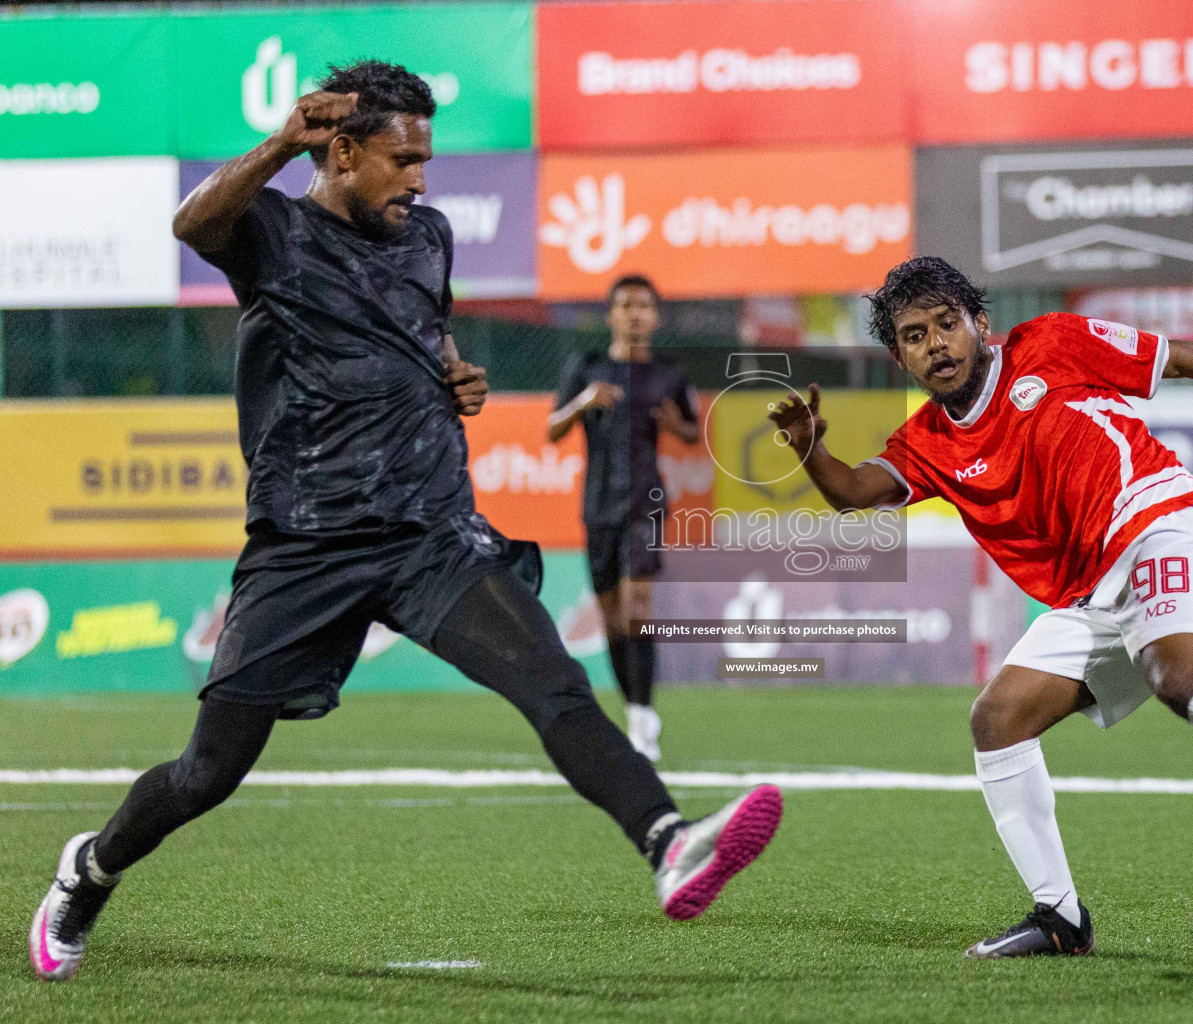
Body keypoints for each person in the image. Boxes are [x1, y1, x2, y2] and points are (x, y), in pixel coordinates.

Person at [29, 61, 779, 984]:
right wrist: (277, 142)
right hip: (306, 544)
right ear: (339, 151)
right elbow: (191, 224)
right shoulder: (272, 232)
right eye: (402, 158)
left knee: (552, 681)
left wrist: (452, 371)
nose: (421, 179)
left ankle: (668, 842)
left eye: (427, 159)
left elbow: (427, 325)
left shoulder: (428, 235)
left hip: (429, 530)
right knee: (206, 773)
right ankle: (89, 870)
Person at [769, 256, 1193, 959]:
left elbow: (1178, 359)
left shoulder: (1050, 344)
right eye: (913, 335)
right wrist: (810, 448)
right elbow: (853, 490)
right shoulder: (930, 444)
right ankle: (1059, 918)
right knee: (998, 718)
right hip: (1095, 592)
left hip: (1161, 523)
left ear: (980, 324)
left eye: (946, 324)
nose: (936, 344)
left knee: (1178, 674)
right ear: (899, 356)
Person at [547, 276, 699, 762]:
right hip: (598, 506)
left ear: (655, 317)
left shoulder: (668, 374)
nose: (635, 314)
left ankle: (641, 718)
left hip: (645, 501)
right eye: (625, 305)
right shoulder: (586, 367)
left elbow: (692, 430)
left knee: (637, 607)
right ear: (611, 314)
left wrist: (678, 427)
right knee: (612, 618)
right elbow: (552, 429)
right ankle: (636, 709)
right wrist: (582, 402)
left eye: (644, 306)